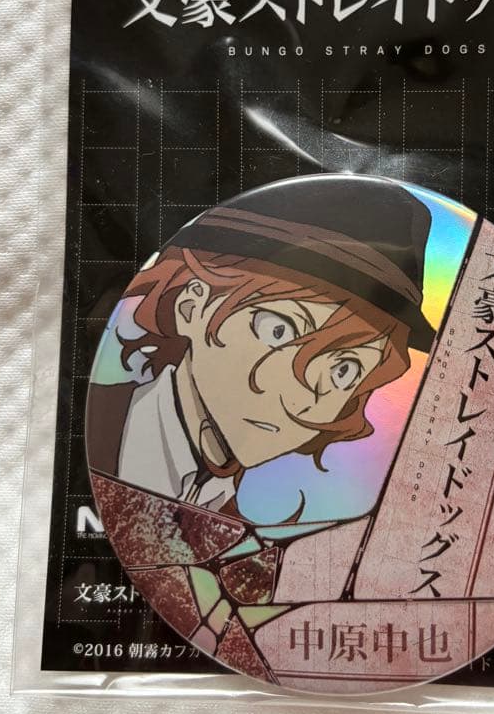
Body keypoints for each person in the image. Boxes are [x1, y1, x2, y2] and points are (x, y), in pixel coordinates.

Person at [86, 176, 434, 516]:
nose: (303, 398)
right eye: (279, 331)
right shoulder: (93, 436)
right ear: (191, 306)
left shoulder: (233, 526)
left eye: (344, 370)